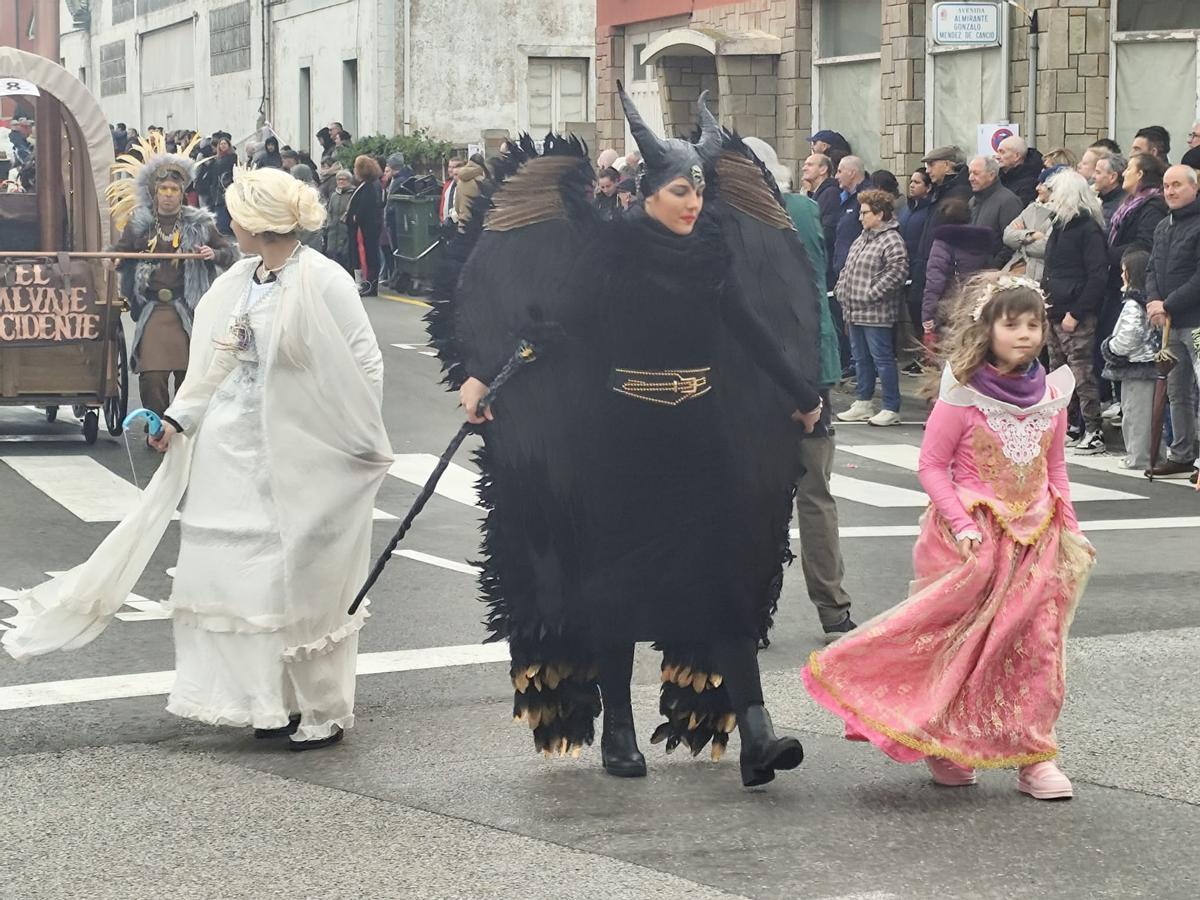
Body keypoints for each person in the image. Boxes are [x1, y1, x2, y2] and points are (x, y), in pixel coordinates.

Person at [430, 90, 823, 788]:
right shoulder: (607, 254)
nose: (694, 201)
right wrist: (480, 375)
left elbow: (750, 332)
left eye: (699, 188)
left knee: (726, 575)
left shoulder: (711, 255)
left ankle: (757, 732)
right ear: (647, 193)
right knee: (614, 582)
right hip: (624, 441)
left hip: (699, 436)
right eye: (680, 189)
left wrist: (801, 395)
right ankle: (618, 728)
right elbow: (554, 324)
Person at [3, 168, 393, 752]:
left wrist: (354, 442)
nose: (226, 218)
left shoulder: (324, 280)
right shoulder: (240, 279)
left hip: (299, 449)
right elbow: (216, 362)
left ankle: (317, 709)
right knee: (239, 584)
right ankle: (265, 702)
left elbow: (366, 363)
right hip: (231, 453)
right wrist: (180, 418)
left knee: (298, 582)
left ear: (258, 223)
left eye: (235, 211)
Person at [804, 272, 1094, 800]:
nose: (1026, 334)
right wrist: (962, 523)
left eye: (1034, 324)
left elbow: (1056, 471)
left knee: (1037, 648)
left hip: (1035, 539)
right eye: (1013, 324)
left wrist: (1070, 529)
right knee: (959, 648)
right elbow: (933, 466)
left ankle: (1035, 756)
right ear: (988, 329)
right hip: (972, 542)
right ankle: (947, 746)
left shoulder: (1054, 393)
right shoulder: (962, 394)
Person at [745, 135, 857, 641]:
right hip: (808, 368)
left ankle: (752, 611)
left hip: (757, 376)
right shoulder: (804, 211)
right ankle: (833, 610)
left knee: (755, 498)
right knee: (814, 495)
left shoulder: (727, 216)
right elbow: (813, 288)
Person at [107, 135, 236, 420]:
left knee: (189, 374)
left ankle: (180, 424)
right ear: (155, 193)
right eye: (163, 188)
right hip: (154, 309)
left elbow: (229, 253)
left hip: (189, 308)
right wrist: (115, 260)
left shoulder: (200, 223)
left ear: (182, 193)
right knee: (152, 375)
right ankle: (157, 424)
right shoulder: (139, 223)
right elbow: (119, 253)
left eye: (173, 189)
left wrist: (212, 254)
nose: (168, 194)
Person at [1041, 170, 1109, 454]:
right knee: (1058, 373)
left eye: (1054, 192)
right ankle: (1068, 425)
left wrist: (1078, 312)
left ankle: (1093, 429)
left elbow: (1097, 276)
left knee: (1082, 373)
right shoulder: (1059, 227)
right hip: (1054, 308)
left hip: (1074, 313)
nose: (1050, 198)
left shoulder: (1087, 230)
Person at [835, 188, 909, 426]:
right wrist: (840, 289)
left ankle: (890, 406)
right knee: (861, 358)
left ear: (880, 214)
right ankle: (863, 401)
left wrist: (871, 293)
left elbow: (897, 272)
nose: (860, 217)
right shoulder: (862, 238)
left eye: (865, 212)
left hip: (876, 311)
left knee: (882, 359)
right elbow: (849, 267)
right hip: (854, 309)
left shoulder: (892, 240)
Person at [1145, 164, 1200, 481]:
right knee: (1177, 392)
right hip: (1169, 322)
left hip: (1196, 324)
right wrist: (1154, 302)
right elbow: (1152, 268)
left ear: (1194, 187)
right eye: (1166, 185)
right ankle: (1181, 454)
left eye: (1177, 184)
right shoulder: (1163, 226)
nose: (1170, 191)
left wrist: (1167, 303)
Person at [1100, 249, 1165, 470]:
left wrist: (1109, 347)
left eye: (1124, 271)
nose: (1121, 275)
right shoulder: (1148, 301)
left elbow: (1128, 338)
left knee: (1135, 415)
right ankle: (1153, 455)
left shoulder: (1132, 304)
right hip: (1150, 365)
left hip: (1137, 365)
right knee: (1150, 415)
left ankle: (1139, 457)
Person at [921, 197, 993, 337]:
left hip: (950, 307)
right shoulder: (982, 240)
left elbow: (935, 282)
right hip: (978, 303)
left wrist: (927, 315)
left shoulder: (943, 242)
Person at [1003, 165, 1059, 284]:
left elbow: (1046, 247)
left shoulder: (1062, 214)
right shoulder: (1031, 208)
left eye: (1042, 184)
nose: (1037, 187)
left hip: (1039, 276)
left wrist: (1019, 242)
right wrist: (1031, 235)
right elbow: (1007, 235)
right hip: (1015, 268)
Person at [898, 167, 934, 350]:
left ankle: (926, 353)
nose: (912, 185)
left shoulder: (929, 211)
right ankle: (919, 351)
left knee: (921, 311)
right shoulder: (906, 209)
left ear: (928, 187)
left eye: (917, 182)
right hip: (904, 266)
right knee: (911, 312)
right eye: (911, 181)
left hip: (920, 267)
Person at [967, 155, 1023, 268]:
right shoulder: (972, 201)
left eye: (976, 173)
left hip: (992, 276)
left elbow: (1012, 243)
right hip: (971, 272)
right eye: (970, 173)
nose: (970, 178)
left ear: (991, 175)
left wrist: (993, 267)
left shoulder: (1008, 201)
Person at [346, 154, 384, 296]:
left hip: (365, 229)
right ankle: (367, 284)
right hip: (365, 229)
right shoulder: (367, 185)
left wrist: (355, 217)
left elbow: (364, 209)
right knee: (366, 256)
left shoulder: (369, 187)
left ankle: (369, 285)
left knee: (367, 257)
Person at [995, 135, 1044, 206]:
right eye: (997, 152)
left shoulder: (1031, 182)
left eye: (1002, 152)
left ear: (1017, 156)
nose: (997, 156)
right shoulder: (998, 176)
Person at [323, 169, 355, 272]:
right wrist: (329, 223)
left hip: (345, 230)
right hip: (333, 230)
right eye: (339, 179)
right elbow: (329, 211)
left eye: (344, 179)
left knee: (344, 255)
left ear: (349, 181)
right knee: (331, 254)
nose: (341, 182)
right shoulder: (334, 195)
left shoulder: (352, 194)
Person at [452, 154, 489, 230]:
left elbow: (457, 207)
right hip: (479, 227)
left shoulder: (460, 182)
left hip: (463, 225)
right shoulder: (482, 181)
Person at [1094, 152, 1128, 227]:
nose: (1093, 176)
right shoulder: (1109, 201)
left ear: (1112, 177)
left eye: (1098, 173)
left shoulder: (1119, 206)